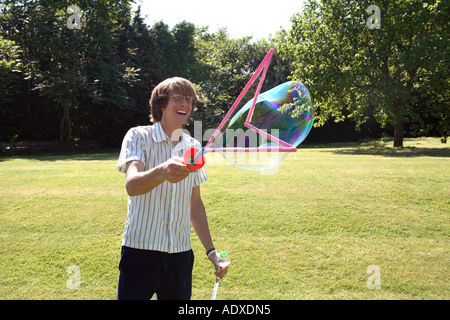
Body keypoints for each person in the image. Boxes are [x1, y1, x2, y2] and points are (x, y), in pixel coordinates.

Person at [116, 77, 227, 300]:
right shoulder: (138, 136)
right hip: (141, 251)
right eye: (178, 98)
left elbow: (195, 204)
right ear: (161, 104)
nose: (185, 104)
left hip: (180, 255)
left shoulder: (194, 147)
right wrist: (162, 171)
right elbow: (132, 185)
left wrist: (211, 251)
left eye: (189, 100)